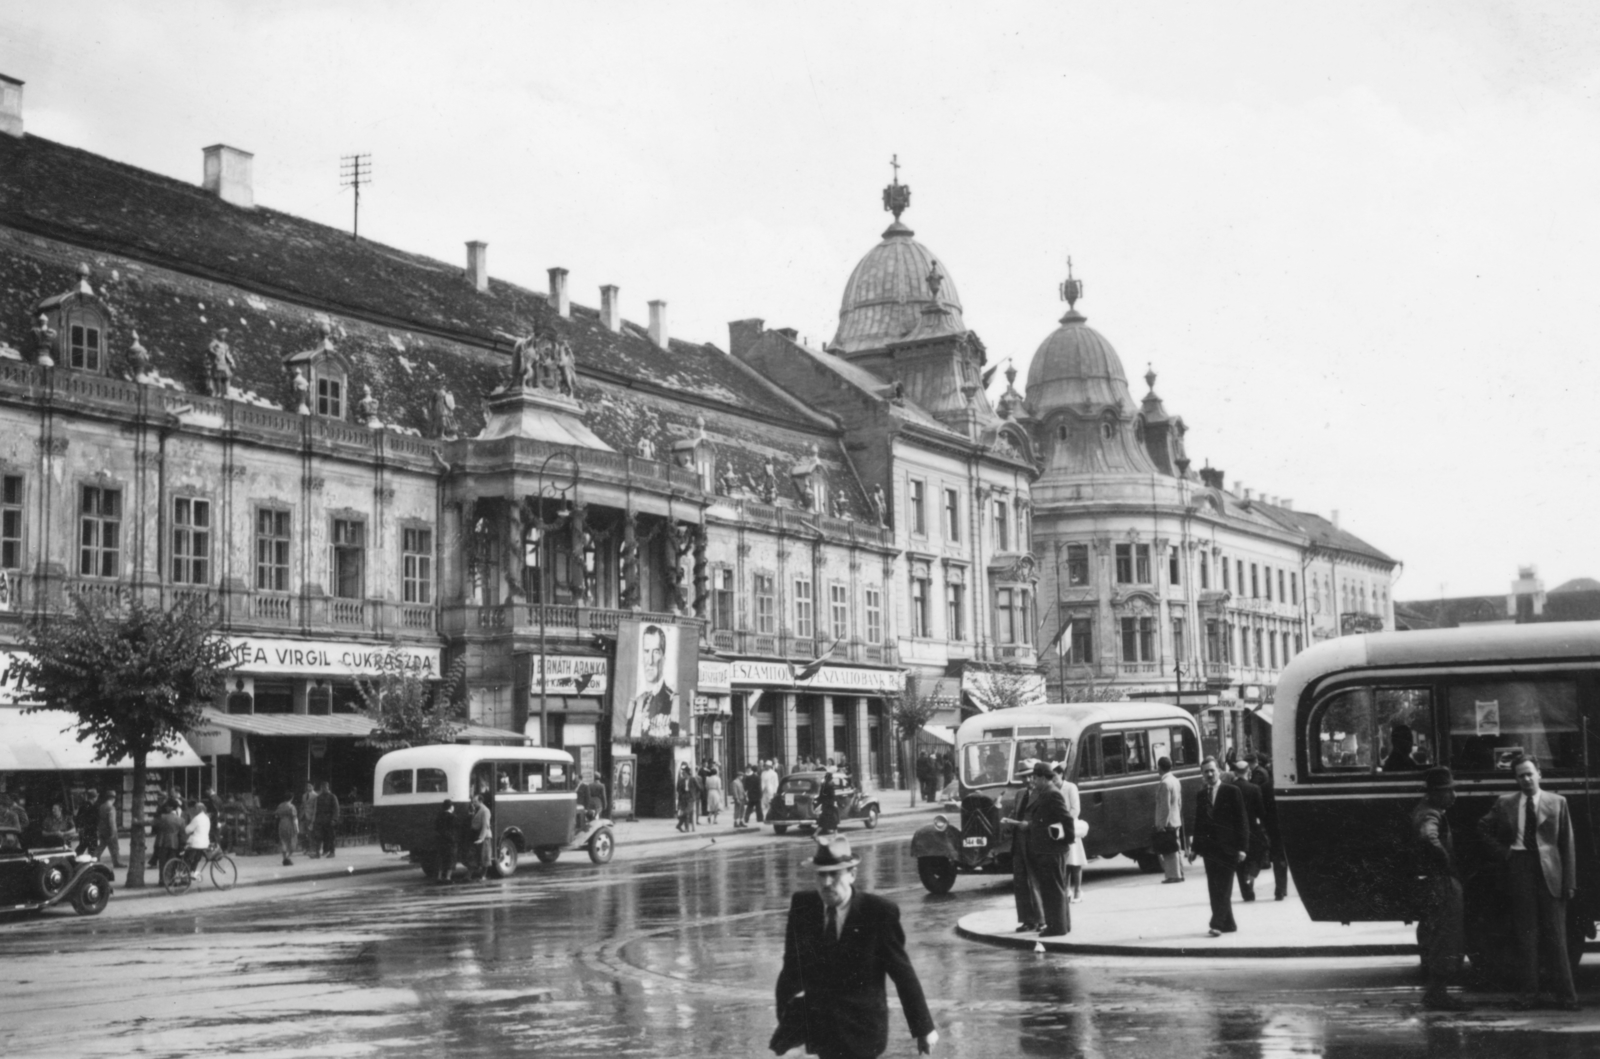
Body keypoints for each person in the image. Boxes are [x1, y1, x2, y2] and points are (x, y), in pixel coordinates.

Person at [773, 836, 938, 1059]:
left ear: (852, 874)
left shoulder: (878, 913)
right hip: (818, 1030)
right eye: (821, 874)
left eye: (834, 874)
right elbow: (791, 969)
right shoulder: (803, 906)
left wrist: (924, 1028)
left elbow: (902, 973)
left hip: (863, 1032)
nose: (827, 882)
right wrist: (786, 1020)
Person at [1476, 753, 1578, 1010]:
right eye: (1520, 775)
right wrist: (1504, 852)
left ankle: (1566, 997)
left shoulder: (1557, 802)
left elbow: (1567, 845)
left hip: (1550, 872)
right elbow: (1482, 828)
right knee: (1526, 934)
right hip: (1520, 868)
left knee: (1556, 935)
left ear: (1539, 774)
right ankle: (1528, 995)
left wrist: (1570, 882)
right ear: (1516, 779)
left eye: (1530, 773)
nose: (1526, 779)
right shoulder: (1505, 803)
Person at [1413, 766, 1468, 1010]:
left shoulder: (1426, 809)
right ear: (1435, 793)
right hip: (1440, 882)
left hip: (1432, 882)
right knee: (1445, 937)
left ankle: (1435, 992)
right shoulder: (1430, 814)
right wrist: (1446, 863)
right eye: (1448, 791)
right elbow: (1429, 837)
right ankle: (1438, 994)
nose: (1453, 796)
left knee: (1436, 935)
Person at [1006, 761, 1073, 937]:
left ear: (1043, 777)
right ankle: (1062, 925)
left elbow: (1066, 819)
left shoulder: (1050, 793)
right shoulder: (1046, 792)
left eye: (1035, 777)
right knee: (1055, 888)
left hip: (1051, 848)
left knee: (1054, 889)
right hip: (1046, 847)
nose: (1033, 780)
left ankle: (1056, 927)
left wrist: (1068, 841)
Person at [1188, 757, 1248, 937]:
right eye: (1206, 771)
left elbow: (1242, 821)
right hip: (1210, 849)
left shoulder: (1232, 791)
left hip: (1229, 848)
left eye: (1212, 770)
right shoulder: (1201, 795)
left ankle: (1217, 923)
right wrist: (1194, 848)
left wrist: (1243, 848)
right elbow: (1199, 823)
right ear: (1202, 774)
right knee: (1214, 887)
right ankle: (1229, 924)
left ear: (1219, 771)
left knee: (1225, 886)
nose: (1209, 774)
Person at [1001, 762, 1042, 932]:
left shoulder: (1044, 794)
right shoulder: (1020, 794)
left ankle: (1042, 919)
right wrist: (1007, 822)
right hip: (1019, 844)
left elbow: (1046, 819)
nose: (1028, 780)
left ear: (1037, 776)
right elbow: (1014, 814)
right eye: (1024, 776)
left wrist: (1030, 824)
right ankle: (1027, 920)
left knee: (1036, 881)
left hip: (1035, 843)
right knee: (1020, 882)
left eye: (1031, 775)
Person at [1246, 752, 1288, 900]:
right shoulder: (1287, 786)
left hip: (1267, 825)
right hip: (1282, 826)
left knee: (1259, 854)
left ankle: (1249, 883)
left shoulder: (1264, 787)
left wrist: (1262, 822)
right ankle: (1280, 889)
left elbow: (1259, 809)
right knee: (1279, 856)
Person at [1227, 759, 1270, 902]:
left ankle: (1246, 892)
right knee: (1255, 856)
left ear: (1235, 772)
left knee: (1240, 861)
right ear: (1248, 772)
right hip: (1253, 829)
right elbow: (1262, 812)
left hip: (1235, 831)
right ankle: (1250, 878)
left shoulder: (1229, 788)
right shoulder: (1254, 788)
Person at [627, 624, 679, 739]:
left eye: (655, 652)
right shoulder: (638, 701)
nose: (649, 661)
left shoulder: (671, 700)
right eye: (646, 651)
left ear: (663, 659)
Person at [1054, 763, 1086, 903]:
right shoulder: (1052, 789)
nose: (1052, 779)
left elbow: (1075, 809)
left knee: (1075, 860)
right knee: (1064, 862)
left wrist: (1064, 822)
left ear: (1061, 774)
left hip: (1070, 826)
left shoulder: (1071, 787)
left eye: (1054, 776)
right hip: (1057, 829)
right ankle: (1066, 890)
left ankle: (1078, 891)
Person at [1154, 756, 1186, 883]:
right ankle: (1180, 873)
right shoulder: (1175, 780)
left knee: (1169, 850)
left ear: (1159, 767)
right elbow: (1179, 801)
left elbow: (1165, 806)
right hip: (1175, 819)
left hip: (1168, 822)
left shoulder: (1165, 783)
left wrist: (1162, 824)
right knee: (1176, 847)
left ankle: (1173, 876)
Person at [466, 791, 492, 881]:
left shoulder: (485, 810)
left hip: (484, 837)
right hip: (477, 835)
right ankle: (469, 876)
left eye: (475, 802)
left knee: (484, 857)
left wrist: (481, 838)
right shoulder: (478, 810)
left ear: (481, 801)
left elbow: (486, 825)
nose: (473, 803)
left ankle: (483, 876)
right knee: (474, 857)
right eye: (473, 802)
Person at [152, 799, 184, 873]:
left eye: (167, 806)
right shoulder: (180, 820)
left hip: (162, 842)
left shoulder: (162, 817)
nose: (166, 808)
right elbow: (182, 834)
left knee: (162, 862)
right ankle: (170, 878)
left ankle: (162, 880)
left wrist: (138, 822)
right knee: (171, 862)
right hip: (174, 843)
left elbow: (151, 822)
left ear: (171, 807)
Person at [94, 789, 123, 869]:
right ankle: (117, 862)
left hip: (102, 830)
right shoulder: (111, 808)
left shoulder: (102, 806)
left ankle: (94, 859)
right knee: (115, 847)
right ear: (113, 799)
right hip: (110, 830)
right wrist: (113, 832)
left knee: (101, 846)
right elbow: (112, 821)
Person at [433, 798, 459, 883]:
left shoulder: (439, 816)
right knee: (451, 859)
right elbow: (457, 828)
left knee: (441, 858)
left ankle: (439, 877)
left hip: (441, 840)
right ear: (451, 807)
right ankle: (448, 877)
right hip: (451, 841)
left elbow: (436, 828)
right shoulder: (453, 817)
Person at [182, 798, 211, 872]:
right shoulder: (206, 818)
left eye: (195, 808)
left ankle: (185, 875)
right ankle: (193, 872)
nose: (194, 810)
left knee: (187, 859)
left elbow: (187, 830)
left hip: (195, 843)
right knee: (196, 859)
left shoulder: (197, 818)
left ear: (199, 809)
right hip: (205, 843)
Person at [314, 781, 340, 858]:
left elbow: (336, 809)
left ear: (328, 787)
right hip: (320, 819)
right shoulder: (319, 797)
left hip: (329, 819)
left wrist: (334, 819)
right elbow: (317, 809)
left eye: (325, 787)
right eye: (322, 788)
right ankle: (317, 853)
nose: (324, 789)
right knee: (319, 837)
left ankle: (332, 852)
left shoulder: (332, 796)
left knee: (331, 837)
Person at [675, 763, 702, 833]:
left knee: (686, 812)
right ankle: (686, 828)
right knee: (685, 813)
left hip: (691, 798)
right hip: (684, 797)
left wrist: (695, 795)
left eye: (684, 773)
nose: (683, 774)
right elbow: (678, 789)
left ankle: (679, 824)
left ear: (687, 773)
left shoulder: (693, 779)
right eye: (682, 773)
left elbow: (699, 788)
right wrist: (681, 795)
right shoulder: (681, 780)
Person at [275, 792, 299, 867]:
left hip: (282, 824)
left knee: (283, 841)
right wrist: (297, 828)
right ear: (292, 798)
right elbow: (294, 818)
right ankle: (288, 857)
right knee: (293, 841)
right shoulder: (291, 806)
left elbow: (276, 815)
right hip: (290, 824)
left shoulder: (280, 805)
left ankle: (284, 858)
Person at [74, 789, 99, 856]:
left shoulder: (82, 806)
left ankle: (73, 857)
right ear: (95, 797)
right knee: (92, 849)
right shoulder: (94, 807)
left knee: (82, 846)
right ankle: (92, 862)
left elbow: (77, 818)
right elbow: (95, 820)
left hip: (83, 831)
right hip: (91, 831)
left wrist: (78, 828)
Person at [817, 769, 840, 835]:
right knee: (833, 820)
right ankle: (836, 835)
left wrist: (821, 803)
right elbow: (833, 796)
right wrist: (835, 802)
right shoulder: (831, 786)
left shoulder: (823, 786)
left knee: (823, 821)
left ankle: (816, 833)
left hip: (825, 806)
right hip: (830, 806)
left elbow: (820, 796)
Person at [298, 782, 318, 855]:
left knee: (310, 834)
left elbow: (315, 808)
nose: (308, 788)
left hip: (310, 816)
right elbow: (302, 805)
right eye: (307, 786)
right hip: (303, 816)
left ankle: (312, 849)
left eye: (310, 786)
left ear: (313, 786)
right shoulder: (304, 795)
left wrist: (313, 819)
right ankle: (305, 848)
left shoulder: (315, 795)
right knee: (302, 833)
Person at [701, 759, 723, 825]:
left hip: (709, 792)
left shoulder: (708, 778)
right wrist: (720, 794)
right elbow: (719, 787)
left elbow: (706, 786)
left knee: (710, 806)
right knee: (716, 807)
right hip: (715, 792)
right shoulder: (718, 779)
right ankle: (715, 820)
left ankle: (709, 816)